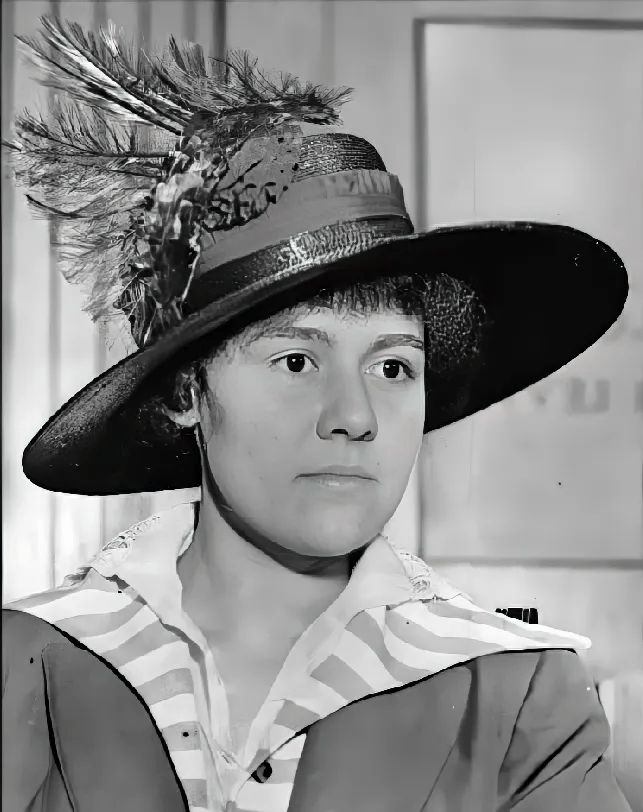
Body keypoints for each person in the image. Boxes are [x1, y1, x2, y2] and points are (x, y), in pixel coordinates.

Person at [2, 16, 632, 812]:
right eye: (297, 361)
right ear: (186, 391)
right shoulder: (32, 662)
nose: (355, 417)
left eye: (393, 367)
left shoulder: (515, 694)